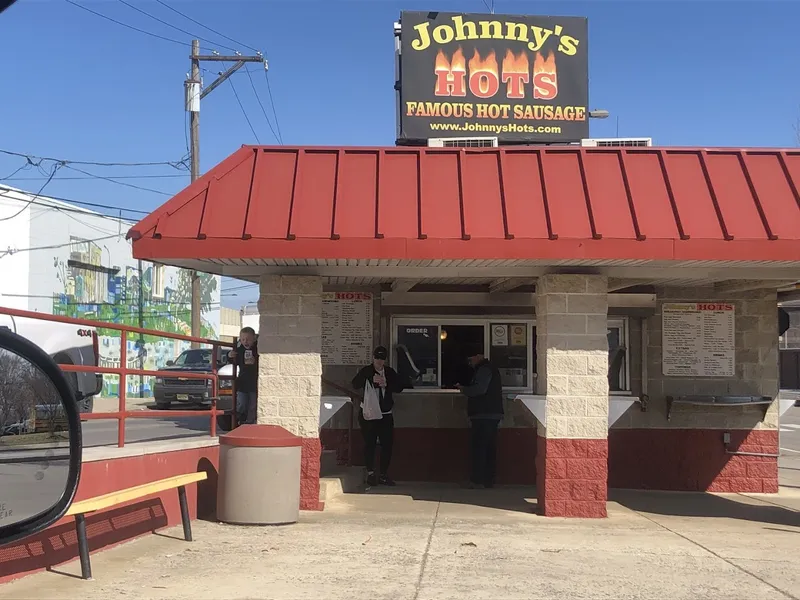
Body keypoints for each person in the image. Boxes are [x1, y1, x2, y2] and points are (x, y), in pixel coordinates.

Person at [352, 346, 406, 487]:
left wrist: (386, 383)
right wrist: (370, 379)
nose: (379, 362)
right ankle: (370, 472)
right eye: (377, 358)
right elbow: (355, 384)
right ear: (373, 358)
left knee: (387, 444)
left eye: (382, 359)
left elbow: (400, 386)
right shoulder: (366, 370)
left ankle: (383, 474)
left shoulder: (389, 372)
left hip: (385, 413)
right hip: (369, 413)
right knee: (369, 443)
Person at [456, 345, 504, 489]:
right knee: (489, 448)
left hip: (484, 414)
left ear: (478, 356)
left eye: (471, 359)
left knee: (480, 448)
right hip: (491, 414)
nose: (470, 362)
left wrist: (464, 389)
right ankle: (488, 480)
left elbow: (480, 389)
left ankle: (477, 480)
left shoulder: (484, 370)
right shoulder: (489, 369)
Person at [228, 327, 258, 425]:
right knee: (242, 403)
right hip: (242, 382)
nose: (246, 342)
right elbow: (233, 362)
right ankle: (241, 420)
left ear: (254, 339)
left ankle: (250, 423)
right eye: (243, 339)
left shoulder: (257, 349)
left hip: (254, 382)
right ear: (240, 340)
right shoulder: (239, 350)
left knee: (253, 405)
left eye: (248, 339)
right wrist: (230, 356)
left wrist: (255, 361)